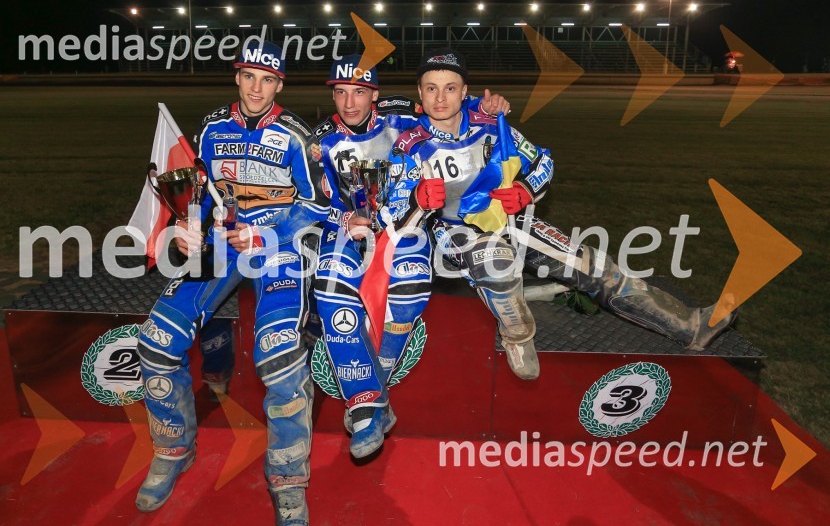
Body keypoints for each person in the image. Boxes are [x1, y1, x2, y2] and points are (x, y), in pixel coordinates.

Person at [391, 47, 736, 381]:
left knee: (593, 266)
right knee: (496, 261)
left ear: (464, 91)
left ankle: (690, 327)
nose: (440, 98)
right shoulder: (410, 145)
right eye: (431, 88)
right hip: (454, 233)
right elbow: (392, 211)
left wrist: (525, 189)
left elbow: (542, 161)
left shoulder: (491, 125)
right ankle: (518, 337)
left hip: (508, 222)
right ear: (419, 92)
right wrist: (417, 200)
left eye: (450, 88)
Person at [135, 39, 329, 526]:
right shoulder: (211, 127)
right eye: (248, 77)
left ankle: (288, 477)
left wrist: (266, 233)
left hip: (278, 248)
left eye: (267, 80)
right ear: (237, 78)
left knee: (279, 357)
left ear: (279, 85)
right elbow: (200, 193)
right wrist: (189, 224)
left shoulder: (296, 135)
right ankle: (174, 448)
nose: (256, 88)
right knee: (156, 341)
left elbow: (319, 205)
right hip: (223, 245)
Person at [312, 54, 510, 458]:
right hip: (347, 229)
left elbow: (446, 110)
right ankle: (367, 407)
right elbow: (314, 200)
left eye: (359, 92)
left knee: (411, 286)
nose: (349, 103)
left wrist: (485, 105)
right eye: (341, 92)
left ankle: (377, 384)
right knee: (330, 288)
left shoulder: (400, 117)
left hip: (407, 224)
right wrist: (346, 217)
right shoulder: (320, 141)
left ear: (375, 95)